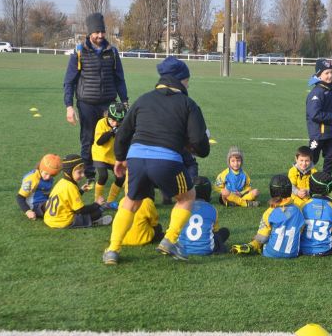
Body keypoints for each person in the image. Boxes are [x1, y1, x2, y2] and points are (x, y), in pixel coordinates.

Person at [102, 56, 210, 265]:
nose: (188, 83)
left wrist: (120, 159)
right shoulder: (188, 104)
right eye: (187, 80)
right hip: (166, 160)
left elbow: (123, 132)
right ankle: (169, 240)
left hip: (136, 158)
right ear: (180, 79)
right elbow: (198, 140)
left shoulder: (143, 99)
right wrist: (198, 149)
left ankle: (112, 249)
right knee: (187, 197)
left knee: (130, 202)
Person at [63, 12, 128, 186]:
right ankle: (90, 173)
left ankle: (115, 169)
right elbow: (69, 81)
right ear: (89, 32)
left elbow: (119, 79)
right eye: (96, 32)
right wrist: (69, 106)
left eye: (102, 32)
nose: (100, 35)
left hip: (109, 104)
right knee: (88, 138)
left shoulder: (112, 52)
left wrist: (125, 101)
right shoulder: (79, 52)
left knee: (115, 137)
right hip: (87, 104)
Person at [231, 175, 305, 258]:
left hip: (270, 253)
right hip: (293, 253)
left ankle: (253, 245)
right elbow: (301, 230)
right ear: (290, 190)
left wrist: (255, 239)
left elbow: (263, 238)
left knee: (262, 238)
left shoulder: (269, 212)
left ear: (272, 190)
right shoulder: (298, 210)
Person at [44, 154, 113, 229]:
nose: (83, 175)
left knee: (93, 211)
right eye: (79, 172)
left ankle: (93, 218)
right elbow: (80, 210)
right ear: (70, 172)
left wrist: (81, 190)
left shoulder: (62, 182)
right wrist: (97, 204)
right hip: (61, 221)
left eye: (83, 172)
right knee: (97, 213)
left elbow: (69, 198)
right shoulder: (70, 187)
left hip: (49, 219)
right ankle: (94, 221)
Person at [306, 59, 332, 176]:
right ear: (319, 75)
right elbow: (315, 115)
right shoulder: (317, 93)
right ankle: (300, 179)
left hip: (329, 131)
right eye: (326, 73)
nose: (330, 75)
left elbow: (331, 109)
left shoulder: (331, 89)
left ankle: (325, 181)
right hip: (318, 133)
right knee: (311, 158)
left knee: (330, 157)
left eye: (331, 72)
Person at [178, 176, 230, 255]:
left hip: (182, 249)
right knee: (225, 232)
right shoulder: (212, 209)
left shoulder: (182, 207)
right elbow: (214, 231)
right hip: (207, 249)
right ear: (208, 193)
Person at [91, 101, 128, 208]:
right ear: (108, 116)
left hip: (113, 156)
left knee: (121, 177)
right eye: (112, 121)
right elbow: (99, 142)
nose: (115, 123)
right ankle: (97, 200)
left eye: (118, 122)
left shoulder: (121, 125)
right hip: (100, 155)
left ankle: (110, 201)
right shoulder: (101, 123)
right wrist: (112, 132)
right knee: (103, 176)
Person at [300, 171, 332, 256]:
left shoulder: (303, 205)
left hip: (302, 249)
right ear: (329, 189)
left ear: (311, 187)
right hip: (325, 251)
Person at [16, 154, 62, 220]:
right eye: (46, 173)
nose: (48, 177)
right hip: (35, 206)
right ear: (41, 168)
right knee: (57, 209)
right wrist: (28, 211)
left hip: (45, 202)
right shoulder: (31, 179)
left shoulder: (50, 178)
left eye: (51, 175)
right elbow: (20, 197)